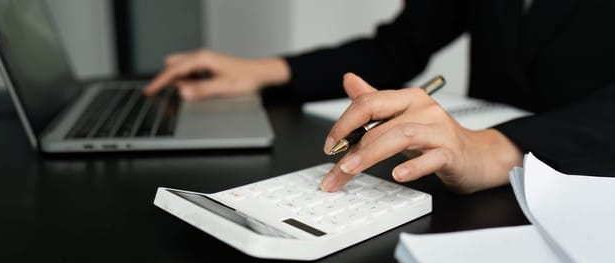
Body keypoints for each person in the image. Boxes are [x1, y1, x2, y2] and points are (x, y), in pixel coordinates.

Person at [144, 0, 615, 194]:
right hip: (464, 190)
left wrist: (496, 147)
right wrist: (266, 71)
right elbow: (399, 47)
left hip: (584, 180)